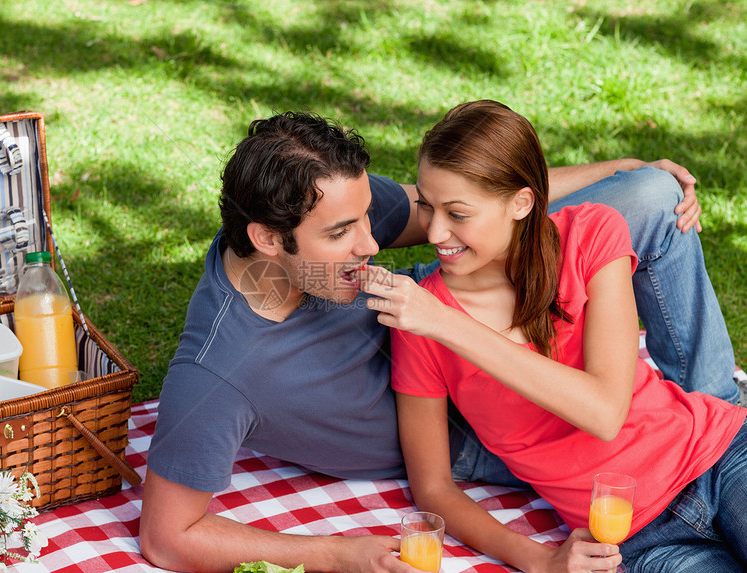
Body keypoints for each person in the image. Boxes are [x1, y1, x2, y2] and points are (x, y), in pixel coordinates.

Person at [139, 110, 739, 573]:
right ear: (268, 240)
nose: (373, 245)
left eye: (368, 217)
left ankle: (720, 413)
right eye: (344, 232)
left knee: (650, 195)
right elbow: (168, 537)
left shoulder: (323, 203)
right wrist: (341, 554)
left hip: (460, 321)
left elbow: (468, 203)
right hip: (467, 430)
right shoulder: (218, 371)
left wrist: (609, 174)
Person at [373, 100, 747, 572]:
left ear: (521, 203)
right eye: (427, 205)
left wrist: (448, 324)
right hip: (635, 541)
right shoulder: (420, 322)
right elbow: (433, 489)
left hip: (720, 456)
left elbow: (604, 412)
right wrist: (543, 560)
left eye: (458, 213)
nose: (435, 230)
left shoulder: (589, 235)